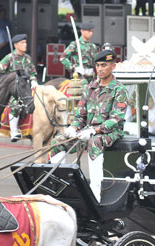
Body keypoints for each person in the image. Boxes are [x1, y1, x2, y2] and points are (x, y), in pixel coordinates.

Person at [49, 50, 128, 202]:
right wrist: (73, 128)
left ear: (113, 66)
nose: (100, 69)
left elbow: (116, 118)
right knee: (58, 141)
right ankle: (59, 188)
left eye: (104, 65)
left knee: (94, 142)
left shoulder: (119, 89)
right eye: (97, 65)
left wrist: (94, 130)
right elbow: (80, 115)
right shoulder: (89, 88)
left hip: (111, 132)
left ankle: (95, 193)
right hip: (88, 131)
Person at [0, 33, 38, 142]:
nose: (25, 45)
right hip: (14, 91)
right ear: (16, 45)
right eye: (22, 43)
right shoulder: (9, 58)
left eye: (25, 42)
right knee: (16, 105)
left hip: (26, 89)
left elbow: (33, 73)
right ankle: (14, 131)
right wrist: (6, 84)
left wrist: (34, 81)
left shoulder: (27, 59)